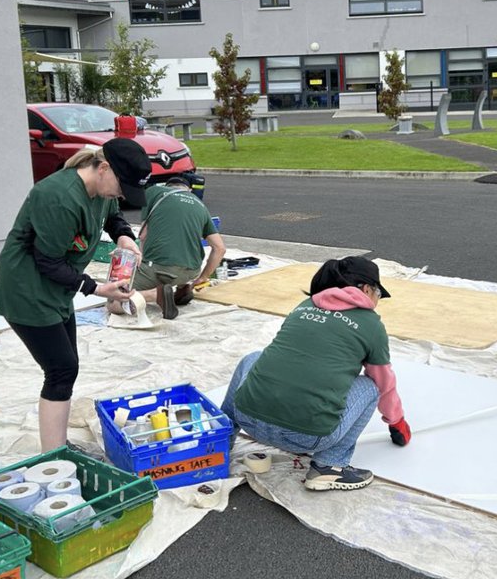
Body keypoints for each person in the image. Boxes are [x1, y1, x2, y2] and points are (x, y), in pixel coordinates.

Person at [0, 138, 151, 450]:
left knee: (67, 366)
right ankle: (53, 455)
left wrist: (124, 236)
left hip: (57, 290)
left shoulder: (102, 189)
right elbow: (47, 260)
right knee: (61, 368)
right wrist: (95, 288)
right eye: (122, 187)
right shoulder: (59, 197)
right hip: (27, 290)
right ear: (103, 168)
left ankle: (56, 447)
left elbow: (112, 216)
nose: (121, 195)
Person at [221, 257, 411, 491]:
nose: (377, 301)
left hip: (247, 418)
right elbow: (384, 383)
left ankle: (221, 440)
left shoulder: (305, 306)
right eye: (378, 294)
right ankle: (330, 466)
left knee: (253, 358)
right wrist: (396, 421)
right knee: (371, 388)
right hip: (307, 437)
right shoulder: (371, 325)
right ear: (365, 289)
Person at [121, 173, 226, 319]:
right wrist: (202, 278)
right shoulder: (200, 204)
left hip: (159, 269)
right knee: (174, 274)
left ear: (167, 186)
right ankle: (182, 286)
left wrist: (141, 265)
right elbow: (220, 248)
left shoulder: (154, 192)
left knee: (115, 300)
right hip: (191, 272)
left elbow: (144, 235)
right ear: (188, 190)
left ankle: (156, 294)